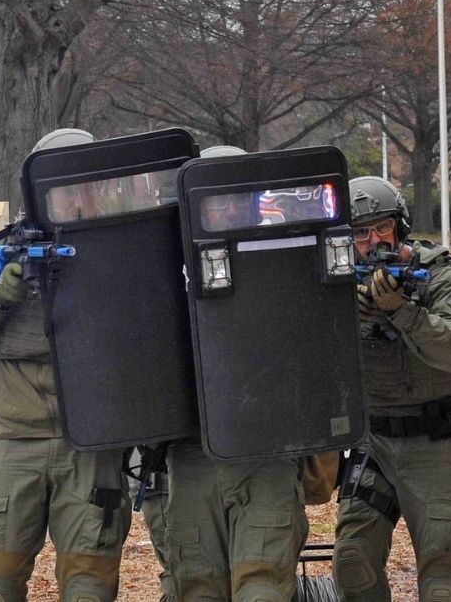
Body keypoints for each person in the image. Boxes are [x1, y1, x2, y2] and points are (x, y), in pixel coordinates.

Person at [0, 128, 132, 602]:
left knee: (90, 585)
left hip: (89, 440)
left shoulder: (123, 253)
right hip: (13, 439)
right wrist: (0, 295)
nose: (72, 195)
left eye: (81, 184)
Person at [160, 145, 309, 602]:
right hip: (192, 454)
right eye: (214, 200)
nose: (225, 210)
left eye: (235, 198)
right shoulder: (163, 268)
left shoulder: (291, 256)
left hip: (265, 447)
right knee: (196, 587)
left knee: (262, 587)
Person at [333, 175, 451, 602]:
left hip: (440, 440)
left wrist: (402, 311)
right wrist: (356, 318)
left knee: (444, 581)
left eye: (382, 227)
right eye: (360, 233)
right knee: (352, 562)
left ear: (399, 226)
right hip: (376, 441)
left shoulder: (437, 274)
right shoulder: (338, 282)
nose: (373, 242)